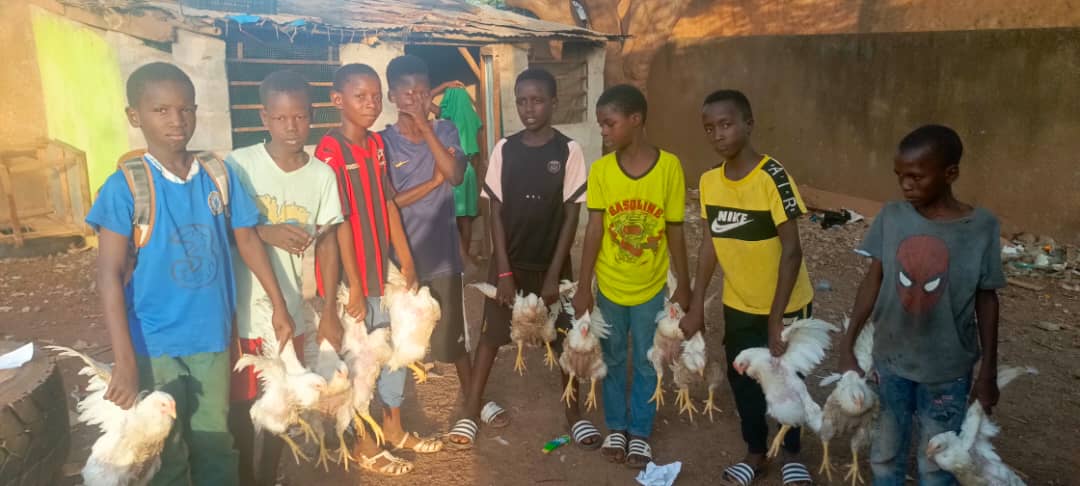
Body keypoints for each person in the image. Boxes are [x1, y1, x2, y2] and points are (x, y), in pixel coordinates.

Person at [85, 62, 294, 486]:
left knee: (216, 440)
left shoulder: (218, 175)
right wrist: (124, 361)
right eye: (161, 110)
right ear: (134, 116)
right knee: (167, 448)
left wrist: (279, 304)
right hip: (153, 343)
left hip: (212, 338)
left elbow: (249, 240)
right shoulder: (126, 187)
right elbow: (108, 274)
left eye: (186, 109)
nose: (177, 121)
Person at [838, 125, 1005, 486]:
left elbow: (986, 297)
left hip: (947, 370)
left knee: (937, 464)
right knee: (883, 455)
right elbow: (874, 278)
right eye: (900, 176)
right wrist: (847, 341)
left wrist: (988, 369)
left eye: (916, 176)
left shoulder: (981, 228)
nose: (906, 185)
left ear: (950, 174)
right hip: (890, 361)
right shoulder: (893, 217)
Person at [448, 68, 592, 449]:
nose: (529, 108)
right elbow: (495, 211)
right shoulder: (504, 149)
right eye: (522, 101)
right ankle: (470, 408)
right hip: (509, 264)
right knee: (491, 338)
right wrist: (504, 271)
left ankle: (574, 414)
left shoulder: (568, 150)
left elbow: (571, 215)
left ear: (554, 103)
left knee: (564, 338)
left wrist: (553, 276)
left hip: (551, 265)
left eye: (538, 100)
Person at [680, 89, 816, 486]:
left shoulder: (773, 177)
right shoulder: (709, 182)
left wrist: (776, 320)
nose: (718, 134)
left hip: (787, 306)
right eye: (709, 128)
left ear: (748, 124)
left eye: (726, 124)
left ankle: (791, 452)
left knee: (787, 382)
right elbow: (710, 244)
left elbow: (792, 252)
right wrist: (694, 305)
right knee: (744, 380)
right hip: (738, 304)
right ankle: (756, 451)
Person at [313, 63, 437, 477]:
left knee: (397, 349)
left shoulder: (376, 146)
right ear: (338, 100)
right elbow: (338, 221)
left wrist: (405, 259)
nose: (370, 104)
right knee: (364, 362)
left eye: (375, 96)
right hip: (355, 279)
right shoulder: (330, 151)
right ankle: (365, 443)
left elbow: (387, 204)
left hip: (384, 272)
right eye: (359, 96)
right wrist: (352, 288)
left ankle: (395, 430)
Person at [379, 54, 509, 441]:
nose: (415, 100)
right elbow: (391, 204)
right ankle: (393, 418)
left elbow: (454, 175)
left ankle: (474, 399)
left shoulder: (447, 130)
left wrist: (425, 126)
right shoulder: (383, 143)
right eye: (407, 93)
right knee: (398, 340)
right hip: (401, 260)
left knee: (455, 336)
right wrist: (431, 184)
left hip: (442, 255)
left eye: (422, 92)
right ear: (392, 96)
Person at [225, 70, 344, 486]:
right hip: (243, 310)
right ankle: (244, 476)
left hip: (289, 311)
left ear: (312, 116)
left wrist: (328, 310)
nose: (291, 127)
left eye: (300, 117)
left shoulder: (322, 176)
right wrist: (264, 230)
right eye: (280, 118)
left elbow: (328, 242)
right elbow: (219, 227)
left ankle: (267, 473)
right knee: (241, 405)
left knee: (282, 402)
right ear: (264, 117)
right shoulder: (239, 165)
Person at [571, 84, 691, 469]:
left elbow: (674, 229)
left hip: (651, 289)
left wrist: (684, 284)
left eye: (609, 123)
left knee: (645, 360)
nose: (603, 132)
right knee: (611, 356)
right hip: (609, 286)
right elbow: (594, 230)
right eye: (601, 125)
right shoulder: (602, 170)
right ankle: (617, 427)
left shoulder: (669, 166)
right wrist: (583, 285)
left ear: (636, 120)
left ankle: (639, 432)